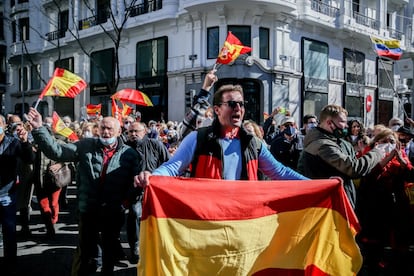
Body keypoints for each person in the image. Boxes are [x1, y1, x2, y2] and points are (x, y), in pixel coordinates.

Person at [26, 107, 143, 276]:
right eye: (103, 127)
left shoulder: (130, 154)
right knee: (89, 255)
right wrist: (39, 129)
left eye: (110, 128)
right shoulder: (85, 146)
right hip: (88, 211)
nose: (106, 131)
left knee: (109, 252)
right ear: (97, 129)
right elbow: (58, 151)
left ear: (119, 132)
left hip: (113, 212)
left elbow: (135, 183)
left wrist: (125, 202)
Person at [136, 82, 308, 187]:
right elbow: (172, 167)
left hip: (243, 220)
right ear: (217, 109)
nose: (238, 108)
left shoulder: (253, 143)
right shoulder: (198, 138)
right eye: (232, 104)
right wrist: (152, 176)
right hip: (208, 222)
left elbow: (280, 172)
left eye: (241, 104)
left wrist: (315, 184)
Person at [297, 104, 384, 209]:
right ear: (329, 123)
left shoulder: (339, 142)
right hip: (329, 206)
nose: (346, 126)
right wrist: (377, 153)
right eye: (342, 122)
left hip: (342, 201)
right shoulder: (322, 145)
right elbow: (353, 168)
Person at [356, 128, 414, 274]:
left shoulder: (402, 156)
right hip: (375, 203)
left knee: (399, 240)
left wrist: (400, 160)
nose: (388, 144)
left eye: (392, 142)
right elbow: (369, 176)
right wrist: (386, 157)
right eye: (384, 141)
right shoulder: (368, 155)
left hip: (397, 202)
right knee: (375, 241)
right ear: (376, 143)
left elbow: (409, 175)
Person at [125, 121, 170, 263]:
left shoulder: (155, 144)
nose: (133, 134)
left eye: (136, 131)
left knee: (155, 219)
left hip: (154, 190)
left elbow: (168, 163)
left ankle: (154, 247)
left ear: (144, 131)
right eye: (130, 132)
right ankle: (135, 247)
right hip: (133, 190)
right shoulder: (124, 148)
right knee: (135, 214)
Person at [0, 114, 34, 275]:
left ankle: (10, 262)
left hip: (6, 193)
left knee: (9, 230)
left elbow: (29, 159)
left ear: (3, 125)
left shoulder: (12, 142)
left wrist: (25, 142)